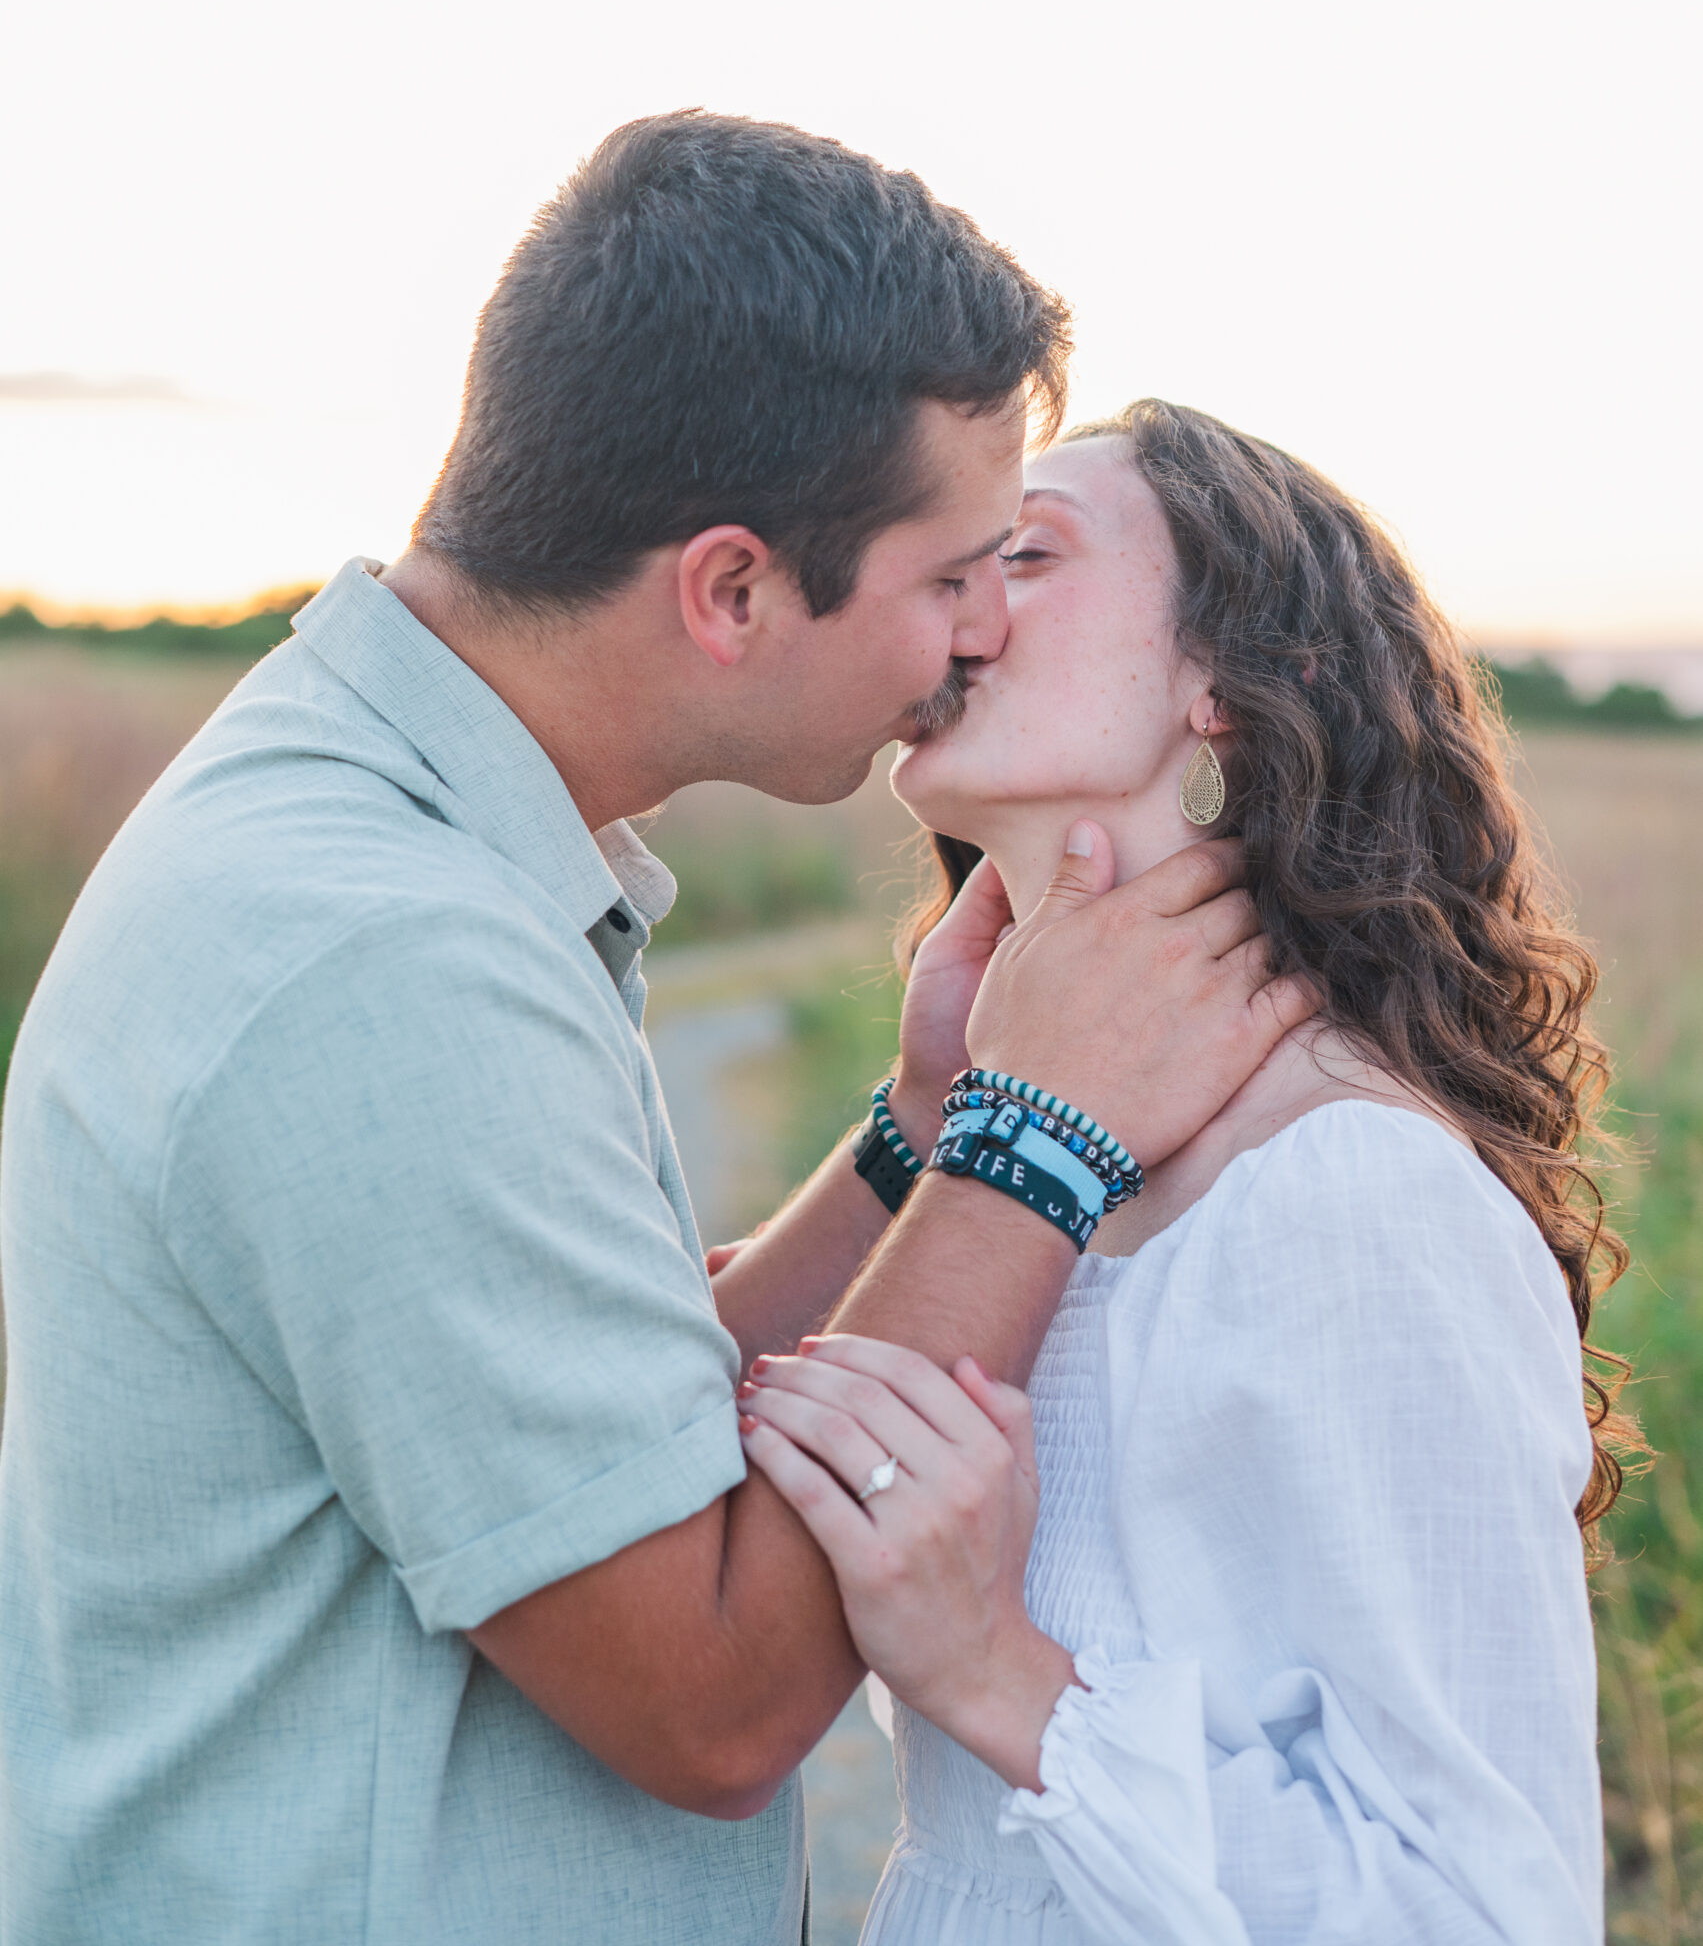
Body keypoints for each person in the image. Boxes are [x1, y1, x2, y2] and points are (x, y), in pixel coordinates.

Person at [0, 122, 1313, 1946]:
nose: (980, 630)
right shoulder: (384, 960)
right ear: (731, 589)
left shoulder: (391, 834)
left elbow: (576, 1439)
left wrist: (919, 1133)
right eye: (949, 576)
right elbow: (711, 1702)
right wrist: (1040, 1135)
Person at [741, 397, 1634, 1945]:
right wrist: (939, 1111)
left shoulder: (1353, 1193)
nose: (955, 597)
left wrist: (996, 1671)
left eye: (1022, 550)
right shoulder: (1025, 1167)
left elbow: (1481, 1906)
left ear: (1228, 681)